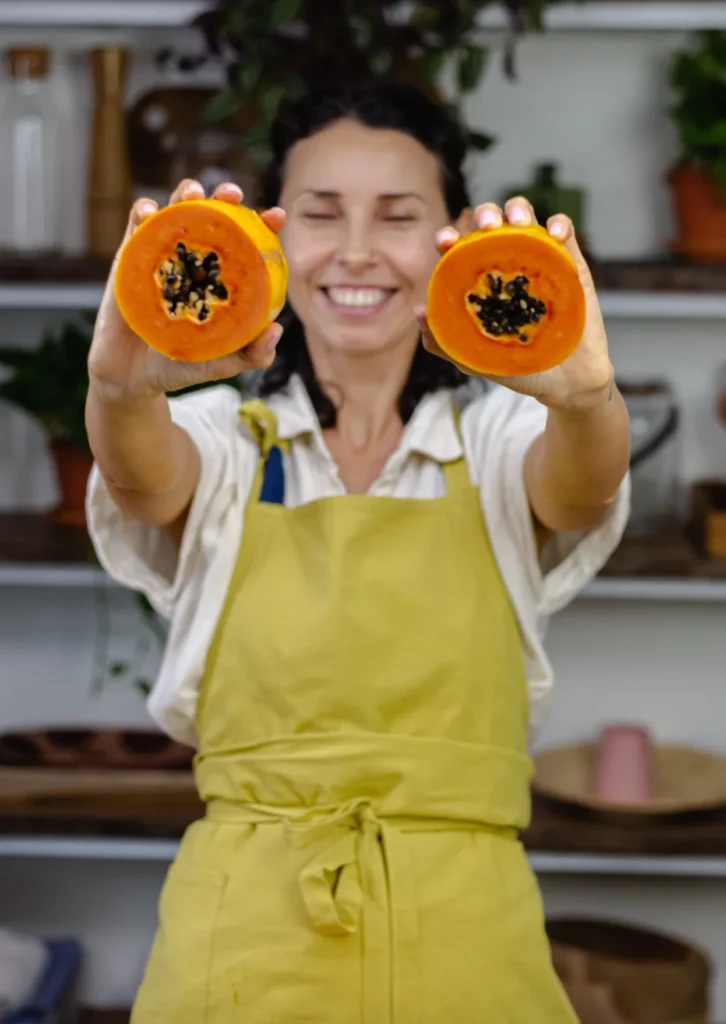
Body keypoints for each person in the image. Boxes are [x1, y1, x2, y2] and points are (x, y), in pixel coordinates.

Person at [85, 81, 630, 1023]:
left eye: (399, 215)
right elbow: (144, 480)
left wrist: (584, 400)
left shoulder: (501, 439)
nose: (358, 250)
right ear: (273, 237)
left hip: (469, 943)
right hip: (245, 944)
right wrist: (121, 391)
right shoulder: (222, 436)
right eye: (321, 214)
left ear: (450, 236)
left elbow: (581, 486)